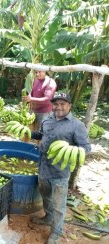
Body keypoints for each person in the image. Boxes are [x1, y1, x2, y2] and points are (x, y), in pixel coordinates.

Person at [30, 92, 91, 244]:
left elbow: (86, 147)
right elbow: (42, 135)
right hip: (43, 168)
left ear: (70, 106)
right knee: (46, 197)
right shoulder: (48, 119)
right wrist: (29, 133)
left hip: (60, 172)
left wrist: (76, 151)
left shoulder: (76, 125)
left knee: (58, 205)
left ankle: (56, 232)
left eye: (63, 104)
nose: (58, 107)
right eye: (56, 104)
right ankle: (48, 217)